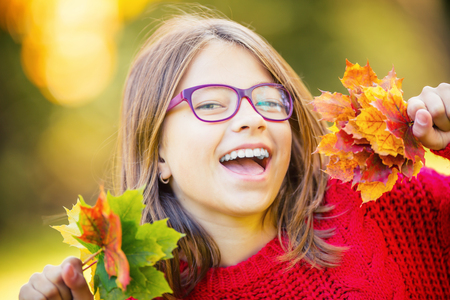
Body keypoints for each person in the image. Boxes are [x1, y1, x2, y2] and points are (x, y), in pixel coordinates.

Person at [19, 11, 450, 300]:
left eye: (267, 100)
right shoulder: (137, 289)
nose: (251, 117)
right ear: (158, 152)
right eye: (210, 104)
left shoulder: (387, 205)